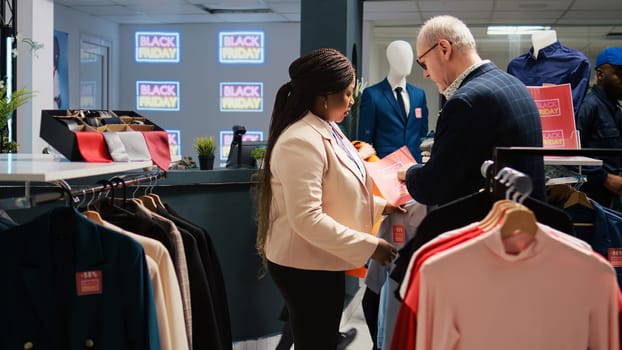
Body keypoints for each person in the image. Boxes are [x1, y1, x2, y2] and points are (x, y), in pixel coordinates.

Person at [255, 48, 403, 350]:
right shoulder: (300, 140)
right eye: (346, 94)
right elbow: (307, 218)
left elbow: (336, 192)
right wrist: (371, 245)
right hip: (303, 265)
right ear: (323, 96)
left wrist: (380, 206)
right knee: (316, 341)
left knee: (320, 339)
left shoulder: (328, 128)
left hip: (320, 259)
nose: (351, 102)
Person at [398, 15, 546, 207]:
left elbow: (433, 188)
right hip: (528, 221)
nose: (425, 73)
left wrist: (409, 172)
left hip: (494, 228)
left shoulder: (466, 101)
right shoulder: (513, 84)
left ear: (444, 49)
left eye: (423, 63)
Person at [358, 40, 429, 162]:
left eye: (410, 56)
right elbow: (365, 139)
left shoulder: (419, 95)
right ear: (391, 58)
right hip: (385, 165)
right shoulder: (372, 95)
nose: (407, 61)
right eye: (401, 56)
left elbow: (422, 132)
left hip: (414, 164)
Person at [575, 47, 622, 210]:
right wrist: (605, 178)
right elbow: (572, 153)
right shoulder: (589, 106)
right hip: (592, 201)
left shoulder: (615, 110)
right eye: (619, 74)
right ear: (601, 74)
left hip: (613, 201)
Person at [507, 29, 591, 115]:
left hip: (559, 126)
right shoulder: (515, 67)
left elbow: (574, 109)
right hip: (524, 127)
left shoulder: (576, 62)